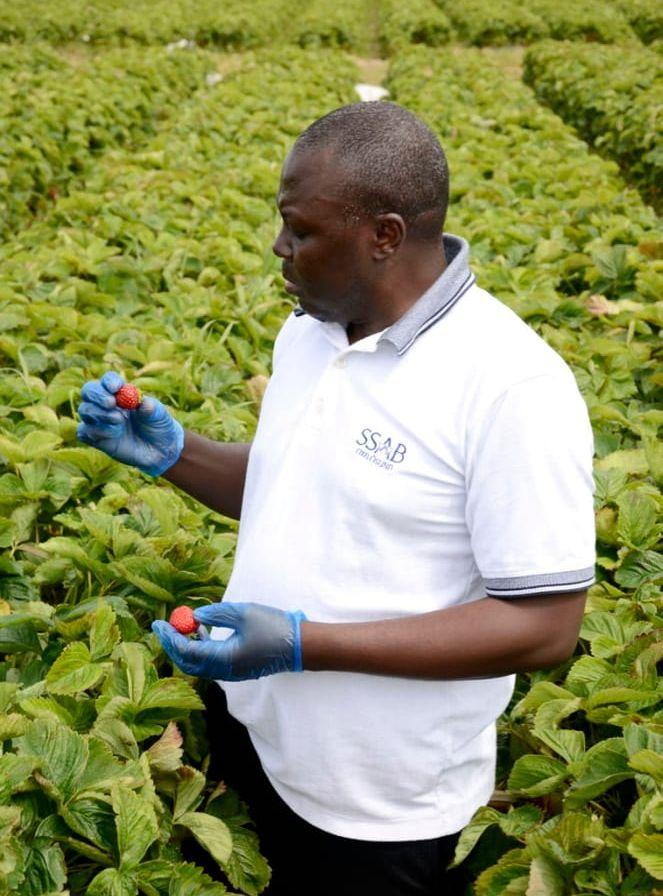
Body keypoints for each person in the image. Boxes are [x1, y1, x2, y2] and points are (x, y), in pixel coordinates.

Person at [77, 102, 596, 896]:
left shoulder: (511, 385)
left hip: (375, 803)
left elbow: (542, 626)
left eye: (300, 230)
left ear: (383, 235)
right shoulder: (311, 332)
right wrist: (176, 456)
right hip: (261, 728)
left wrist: (300, 644)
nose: (279, 249)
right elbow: (299, 485)